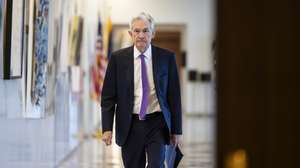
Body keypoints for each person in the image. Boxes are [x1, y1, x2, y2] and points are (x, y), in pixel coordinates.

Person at [101, 12, 182, 168]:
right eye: (137, 31)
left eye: (145, 31)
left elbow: (174, 97)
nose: (141, 35)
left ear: (153, 33)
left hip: (157, 123)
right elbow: (108, 97)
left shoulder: (167, 58)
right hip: (130, 123)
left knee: (156, 165)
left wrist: (176, 130)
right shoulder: (118, 59)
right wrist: (106, 128)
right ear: (131, 34)